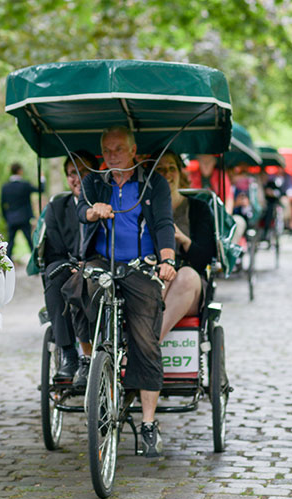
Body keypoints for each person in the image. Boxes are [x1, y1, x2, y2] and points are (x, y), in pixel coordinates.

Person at [76, 126, 177, 458]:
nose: (112, 155)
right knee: (76, 285)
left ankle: (148, 423)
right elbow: (81, 210)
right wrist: (93, 211)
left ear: (134, 151)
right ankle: (88, 356)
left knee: (146, 338)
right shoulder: (95, 180)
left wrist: (167, 260)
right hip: (102, 260)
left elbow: (162, 222)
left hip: (139, 265)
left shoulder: (153, 182)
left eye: (119, 148)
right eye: (107, 150)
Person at [42, 150, 98, 386]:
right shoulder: (57, 207)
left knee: (91, 278)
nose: (78, 179)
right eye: (73, 173)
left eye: (84, 172)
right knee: (53, 275)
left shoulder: (103, 203)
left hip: (98, 265)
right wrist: (73, 264)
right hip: (68, 264)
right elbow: (53, 250)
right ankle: (68, 352)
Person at [154, 150, 216, 340]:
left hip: (189, 285)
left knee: (185, 276)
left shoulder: (198, 209)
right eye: (160, 169)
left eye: (172, 168)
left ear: (180, 173)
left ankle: (151, 343)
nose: (167, 174)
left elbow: (206, 257)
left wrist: (183, 239)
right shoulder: (144, 207)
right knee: (160, 276)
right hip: (155, 278)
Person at [0, 162, 40, 259]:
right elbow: (40, 189)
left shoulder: (5, 187)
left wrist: (6, 217)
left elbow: (2, 204)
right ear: (20, 171)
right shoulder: (25, 185)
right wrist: (42, 178)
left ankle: (7, 267)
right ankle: (36, 264)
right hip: (24, 218)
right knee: (30, 242)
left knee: (10, 244)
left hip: (11, 219)